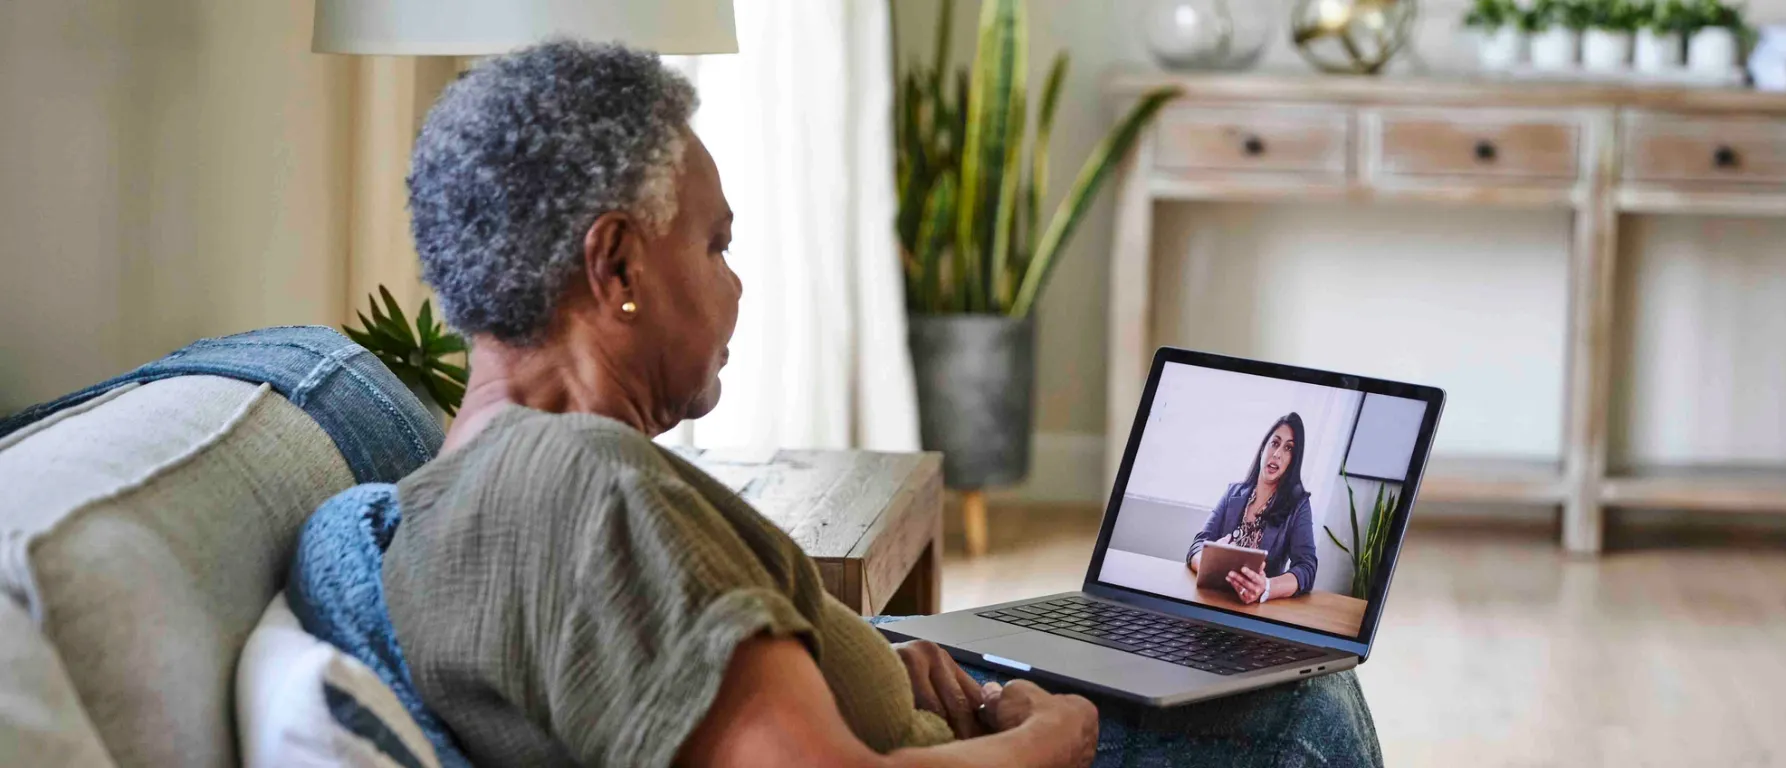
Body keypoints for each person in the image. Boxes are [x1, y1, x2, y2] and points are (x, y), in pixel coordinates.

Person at [381, 40, 1379, 768]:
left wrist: (873, 654)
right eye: (715, 245)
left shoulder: (454, 488)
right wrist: (1048, 734)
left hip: (942, 713)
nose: (736, 285)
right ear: (618, 265)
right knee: (1305, 717)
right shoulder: (588, 488)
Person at [1187, 413, 1321, 606]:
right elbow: (1198, 544)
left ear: (1293, 460)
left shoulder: (1298, 506)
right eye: (1274, 443)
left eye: (1288, 448)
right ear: (1263, 448)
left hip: (1254, 610)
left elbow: (1307, 568)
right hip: (1211, 599)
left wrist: (1266, 587)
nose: (1277, 454)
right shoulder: (1233, 493)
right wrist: (1209, 565)